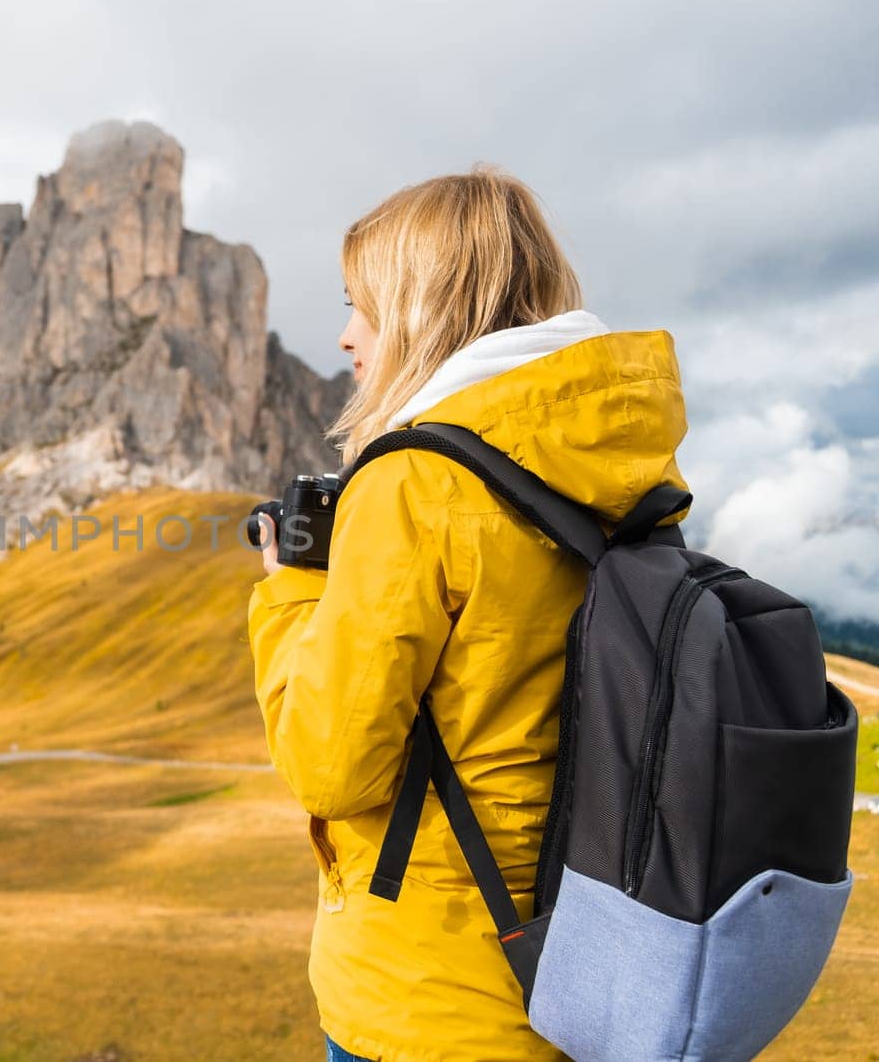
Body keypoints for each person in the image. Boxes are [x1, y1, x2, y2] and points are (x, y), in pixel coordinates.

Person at [248, 167, 689, 1062]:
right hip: (593, 961)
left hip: (432, 998)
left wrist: (291, 587)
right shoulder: (619, 465)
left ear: (421, 307)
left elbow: (330, 768)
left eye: (360, 305)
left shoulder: (416, 481)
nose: (344, 337)